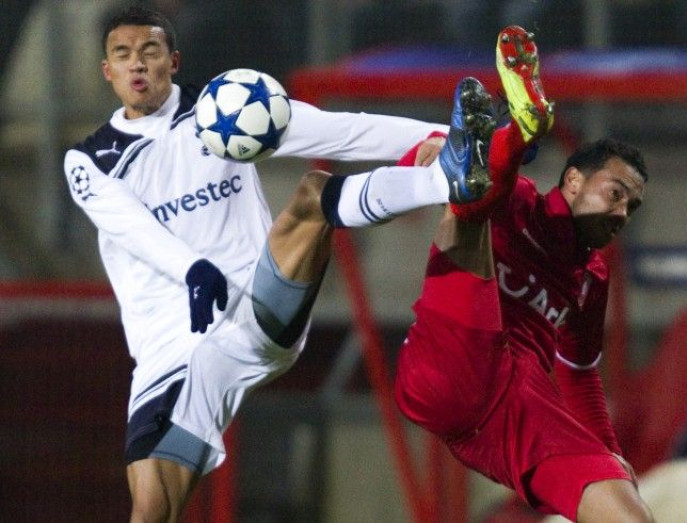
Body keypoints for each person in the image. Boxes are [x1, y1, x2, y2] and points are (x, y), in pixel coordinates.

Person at [62, 6, 496, 522]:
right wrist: (193, 270)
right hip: (169, 358)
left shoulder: (226, 111)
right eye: (123, 55)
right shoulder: (89, 161)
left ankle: (447, 178)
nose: (138, 65)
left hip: (253, 310)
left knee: (313, 195)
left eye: (150, 52)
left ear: (173, 61)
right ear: (107, 71)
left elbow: (340, 131)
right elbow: (130, 224)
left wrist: (443, 135)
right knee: (151, 508)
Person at [394, 26, 655, 522]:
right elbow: (409, 175)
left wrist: (609, 455)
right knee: (474, 202)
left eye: (633, 207)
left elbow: (578, 373)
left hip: (516, 412)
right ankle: (519, 131)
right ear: (573, 180)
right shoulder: (517, 201)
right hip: (448, 365)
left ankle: (513, 133)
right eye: (616, 193)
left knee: (630, 514)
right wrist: (424, 157)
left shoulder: (591, 278)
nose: (623, 213)